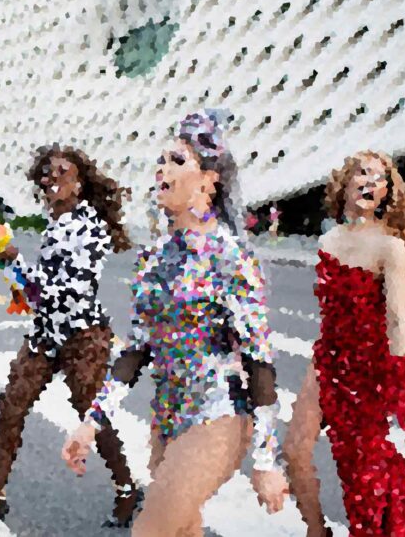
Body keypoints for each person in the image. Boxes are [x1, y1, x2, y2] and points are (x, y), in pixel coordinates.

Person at [62, 111, 289, 536]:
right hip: (166, 419)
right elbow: (136, 350)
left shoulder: (229, 256)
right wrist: (92, 421)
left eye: (177, 161)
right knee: (182, 529)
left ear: (208, 181)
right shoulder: (154, 257)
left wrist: (265, 460)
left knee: (151, 528)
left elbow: (259, 361)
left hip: (217, 416)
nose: (162, 170)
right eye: (161, 160)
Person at [283, 151, 405, 536]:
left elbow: (396, 320)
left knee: (364, 475)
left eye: (380, 178)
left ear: (387, 192)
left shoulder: (391, 247)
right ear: (345, 182)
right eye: (363, 173)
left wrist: (399, 387)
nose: (370, 182)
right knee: (294, 451)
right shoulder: (328, 240)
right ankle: (316, 530)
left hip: (367, 369)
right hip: (327, 360)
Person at [0, 144, 139, 535]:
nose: (51, 179)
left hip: (81, 337)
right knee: (11, 408)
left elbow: (68, 292)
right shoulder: (56, 223)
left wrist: (14, 260)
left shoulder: (89, 226)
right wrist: (7, 262)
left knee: (91, 414)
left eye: (62, 173)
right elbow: (34, 295)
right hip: (45, 334)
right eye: (47, 173)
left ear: (79, 184)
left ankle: (127, 489)